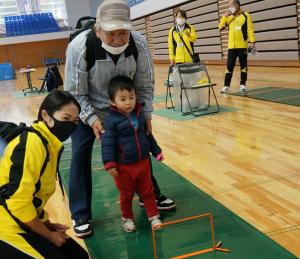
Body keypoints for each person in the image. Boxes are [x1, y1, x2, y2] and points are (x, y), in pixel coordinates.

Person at [64, 0, 175, 238]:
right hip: (87, 108)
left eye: (122, 33)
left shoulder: (139, 44)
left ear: (130, 29)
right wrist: (92, 119)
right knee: (80, 153)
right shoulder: (78, 48)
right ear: (97, 29)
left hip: (126, 107)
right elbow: (74, 93)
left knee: (140, 146)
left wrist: (146, 115)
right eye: (110, 34)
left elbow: (145, 84)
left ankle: (150, 195)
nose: (117, 39)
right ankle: (81, 213)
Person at [0, 90, 89, 259]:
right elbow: (17, 202)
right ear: (46, 115)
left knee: (79, 256)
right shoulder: (33, 144)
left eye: (75, 121)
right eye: (65, 118)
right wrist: (48, 235)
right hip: (6, 228)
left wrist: (47, 224)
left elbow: (33, 197)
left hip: (20, 220)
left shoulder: (49, 144)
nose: (71, 125)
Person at [102, 76, 163, 232]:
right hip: (123, 167)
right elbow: (107, 143)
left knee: (148, 191)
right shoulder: (111, 121)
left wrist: (156, 151)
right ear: (112, 101)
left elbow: (148, 135)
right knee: (126, 194)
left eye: (131, 97)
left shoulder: (139, 115)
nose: (128, 102)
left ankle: (153, 216)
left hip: (143, 162)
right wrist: (109, 163)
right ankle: (127, 218)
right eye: (123, 99)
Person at [219, 0, 256, 93]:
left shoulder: (246, 15)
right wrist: (225, 16)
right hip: (231, 46)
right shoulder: (229, 17)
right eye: (228, 6)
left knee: (243, 65)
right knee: (229, 66)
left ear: (236, 5)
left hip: (242, 45)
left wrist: (252, 41)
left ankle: (243, 84)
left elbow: (250, 29)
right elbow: (220, 27)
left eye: (231, 5)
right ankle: (226, 85)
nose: (229, 7)